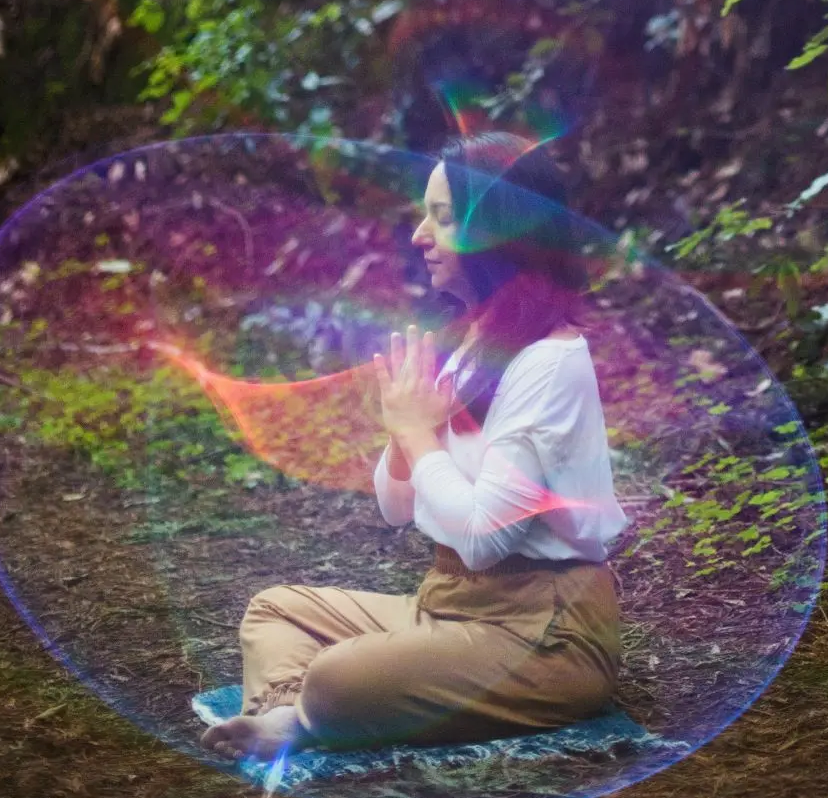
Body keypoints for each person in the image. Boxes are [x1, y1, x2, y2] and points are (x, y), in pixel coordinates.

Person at [200, 131, 629, 761]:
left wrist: (416, 433)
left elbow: (486, 541)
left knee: (338, 676)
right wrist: (404, 437)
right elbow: (395, 507)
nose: (419, 235)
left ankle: (307, 712)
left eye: (442, 217)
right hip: (448, 607)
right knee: (274, 610)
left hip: (545, 631)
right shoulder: (474, 343)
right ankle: (297, 716)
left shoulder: (550, 362)